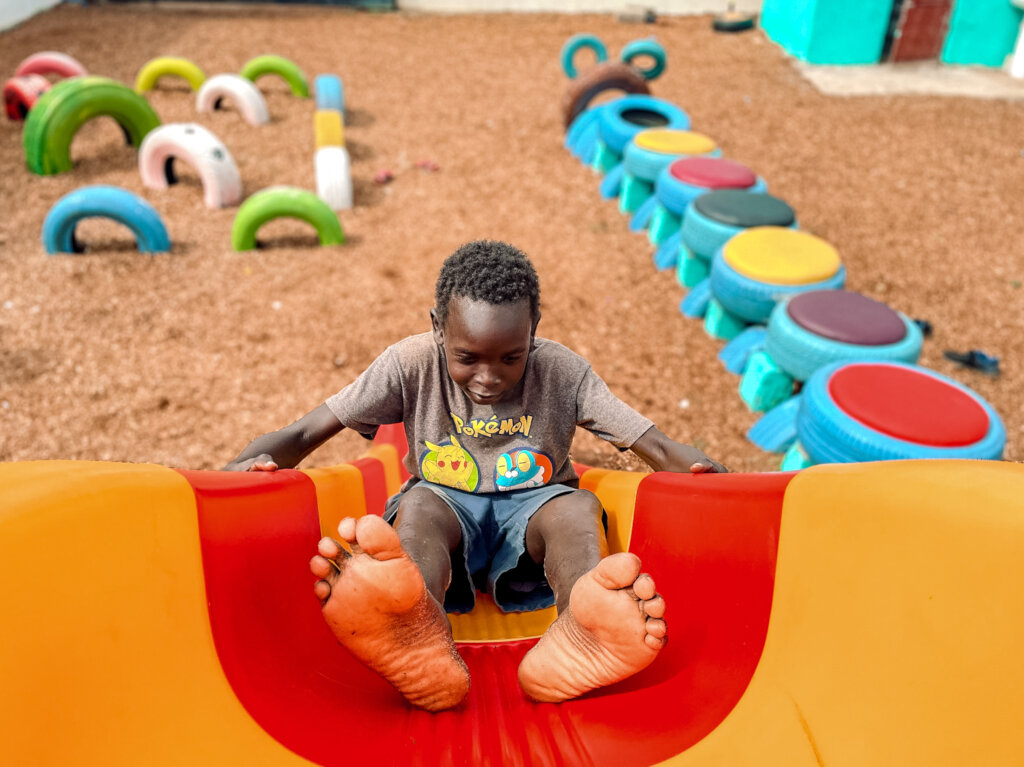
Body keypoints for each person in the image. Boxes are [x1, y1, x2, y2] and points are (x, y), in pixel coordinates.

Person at [224, 240, 727, 712]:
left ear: (534, 329)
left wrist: (706, 475)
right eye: (467, 358)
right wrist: (243, 469)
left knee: (576, 508)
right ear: (438, 327)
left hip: (535, 515)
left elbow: (651, 442)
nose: (489, 377)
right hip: (445, 509)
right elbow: (308, 429)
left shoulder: (561, 371)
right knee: (416, 509)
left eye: (511, 356)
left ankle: (581, 628)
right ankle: (417, 626)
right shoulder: (410, 363)